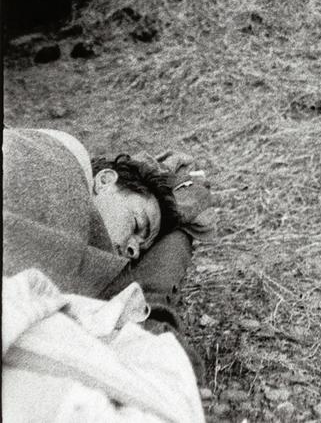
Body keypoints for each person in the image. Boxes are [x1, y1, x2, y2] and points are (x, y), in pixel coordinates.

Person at [2, 128, 214, 345]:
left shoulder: (95, 270)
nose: (133, 251)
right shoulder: (58, 165)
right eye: (137, 225)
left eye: (141, 250)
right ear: (104, 181)